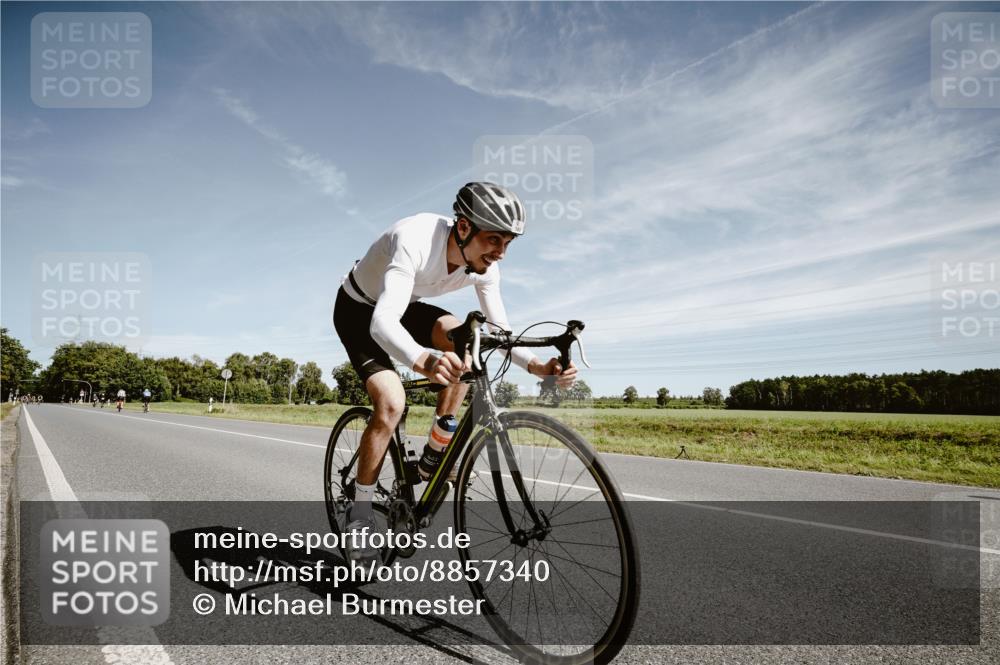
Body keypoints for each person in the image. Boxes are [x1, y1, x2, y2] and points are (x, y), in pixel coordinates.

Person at [332, 182, 576, 564]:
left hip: (406, 304)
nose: (500, 253)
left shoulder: (485, 268)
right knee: (392, 405)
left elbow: (499, 333)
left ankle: (435, 451)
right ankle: (359, 516)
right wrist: (424, 360)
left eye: (508, 243)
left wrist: (538, 367)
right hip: (360, 310)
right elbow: (382, 322)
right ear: (463, 228)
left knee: (470, 342)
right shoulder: (413, 237)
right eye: (493, 240)